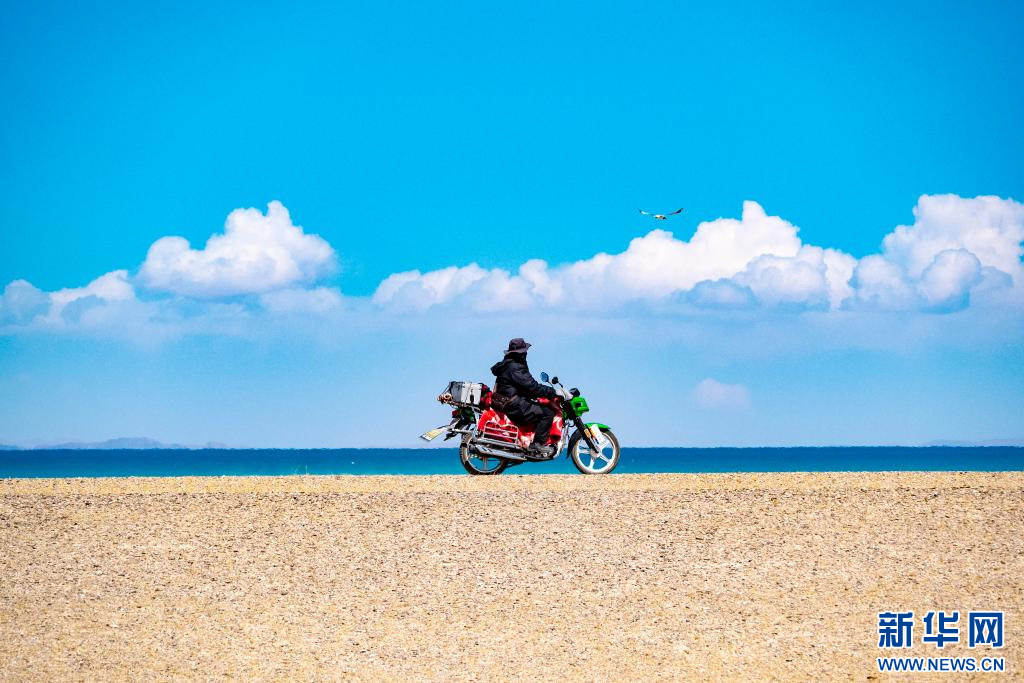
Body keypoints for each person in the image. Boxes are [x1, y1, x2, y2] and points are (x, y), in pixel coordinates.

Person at [490, 337, 567, 456]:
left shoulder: (508, 365)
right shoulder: (515, 367)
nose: (525, 354)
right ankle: (537, 444)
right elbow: (532, 387)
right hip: (513, 403)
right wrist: (553, 392)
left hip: (507, 401)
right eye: (524, 352)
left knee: (539, 407)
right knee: (547, 413)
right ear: (520, 354)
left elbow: (524, 387)